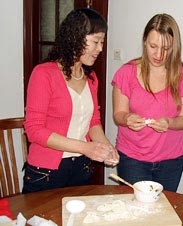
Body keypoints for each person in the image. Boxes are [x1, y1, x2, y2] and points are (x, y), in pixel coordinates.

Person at [23, 8, 119, 194]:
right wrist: (86, 147)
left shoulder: (91, 78)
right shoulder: (44, 74)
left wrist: (105, 147)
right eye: (95, 41)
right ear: (76, 37)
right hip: (46, 173)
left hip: (80, 168)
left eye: (102, 42)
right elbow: (34, 130)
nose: (100, 48)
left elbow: (93, 122)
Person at [112, 13, 183, 192]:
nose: (159, 54)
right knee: (135, 214)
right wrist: (127, 118)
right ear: (145, 41)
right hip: (132, 158)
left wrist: (169, 122)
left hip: (170, 160)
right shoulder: (126, 72)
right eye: (153, 46)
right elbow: (118, 115)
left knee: (163, 211)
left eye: (166, 48)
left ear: (175, 47)